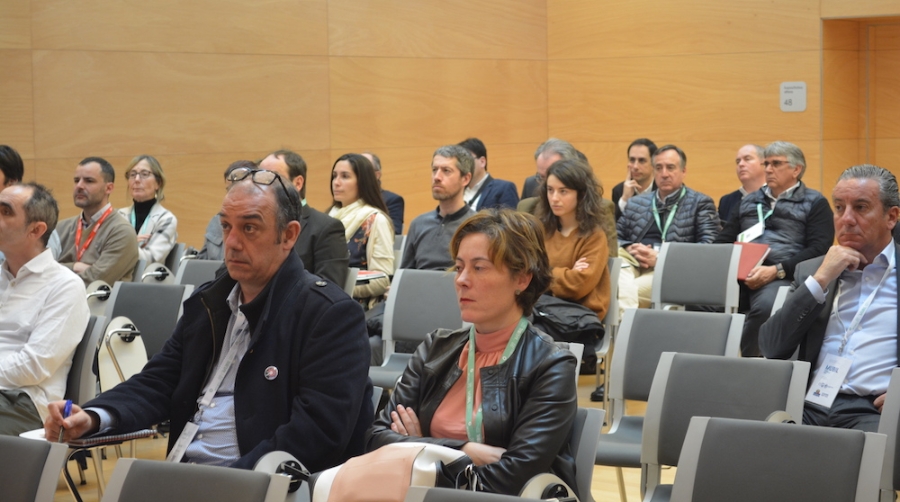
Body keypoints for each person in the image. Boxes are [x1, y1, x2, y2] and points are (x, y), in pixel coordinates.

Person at [45, 167, 373, 470]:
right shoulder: (208, 303)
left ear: (288, 236)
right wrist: (93, 416)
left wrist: (230, 482)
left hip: (262, 485)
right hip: (184, 474)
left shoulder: (329, 315)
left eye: (249, 228)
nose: (231, 243)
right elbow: (159, 380)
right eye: (226, 226)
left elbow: (316, 434)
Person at [366, 209, 578, 496]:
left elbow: (511, 478)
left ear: (522, 279)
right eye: (459, 267)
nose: (461, 280)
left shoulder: (551, 365)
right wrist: (465, 450)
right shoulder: (435, 348)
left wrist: (419, 447)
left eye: (479, 268)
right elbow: (377, 439)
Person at [760, 164, 899, 432]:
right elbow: (771, 347)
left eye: (860, 207)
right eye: (839, 207)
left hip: (874, 410)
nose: (846, 219)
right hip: (808, 404)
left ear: (891, 217)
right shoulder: (813, 271)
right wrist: (821, 279)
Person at [716, 141, 833, 356]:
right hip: (739, 274)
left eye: (776, 164)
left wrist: (777, 270)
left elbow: (819, 250)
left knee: (766, 307)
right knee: (701, 301)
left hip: (781, 274)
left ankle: (749, 366)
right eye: (766, 164)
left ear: (796, 169)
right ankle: (707, 362)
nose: (768, 169)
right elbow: (723, 240)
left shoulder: (815, 202)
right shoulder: (748, 201)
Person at [0, 183, 89, 435]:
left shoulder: (65, 285)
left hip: (23, 402)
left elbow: (33, 366)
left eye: (5, 212)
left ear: (35, 230)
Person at [617, 144, 720, 308]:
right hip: (633, 264)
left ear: (683, 171)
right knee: (615, 273)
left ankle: (620, 326)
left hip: (673, 272)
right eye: (659, 168)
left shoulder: (700, 203)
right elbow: (614, 239)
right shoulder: (636, 203)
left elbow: (709, 249)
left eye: (670, 168)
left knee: (624, 292)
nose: (664, 174)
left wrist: (660, 259)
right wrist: (630, 247)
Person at [260, 150, 349, 286]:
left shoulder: (326, 228)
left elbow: (329, 289)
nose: (263, 186)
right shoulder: (253, 224)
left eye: (273, 178)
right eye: (260, 178)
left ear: (298, 183)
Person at [536, 159, 611, 321]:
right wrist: (566, 273)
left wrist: (544, 274)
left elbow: (577, 286)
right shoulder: (541, 230)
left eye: (563, 191)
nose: (554, 198)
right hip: (542, 311)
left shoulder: (594, 236)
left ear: (581, 194)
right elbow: (525, 274)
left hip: (578, 319)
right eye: (550, 190)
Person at [56, 157, 139, 285]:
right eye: (76, 180)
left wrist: (59, 270)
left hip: (97, 297)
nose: (79, 186)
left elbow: (95, 281)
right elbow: (41, 271)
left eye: (89, 181)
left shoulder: (121, 231)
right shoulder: (61, 227)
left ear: (109, 188)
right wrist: (75, 266)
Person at [328, 153, 394, 308]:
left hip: (353, 307)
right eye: (334, 176)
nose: (336, 182)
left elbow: (383, 278)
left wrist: (337, 284)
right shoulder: (329, 216)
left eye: (345, 176)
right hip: (325, 299)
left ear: (363, 182)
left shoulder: (376, 220)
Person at [402, 145, 476, 271]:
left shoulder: (478, 225)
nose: (437, 177)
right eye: (434, 170)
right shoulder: (418, 224)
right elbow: (405, 274)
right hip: (420, 284)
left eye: (446, 171)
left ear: (465, 179)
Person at [118, 155, 178, 264]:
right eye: (132, 174)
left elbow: (150, 259)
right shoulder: (118, 216)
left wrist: (124, 245)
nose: (137, 179)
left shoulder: (166, 219)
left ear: (158, 183)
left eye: (144, 174)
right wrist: (131, 244)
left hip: (146, 274)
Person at [196, 160, 255, 261]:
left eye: (240, 188)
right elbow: (201, 262)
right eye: (229, 189)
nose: (234, 194)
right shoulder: (216, 221)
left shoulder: (260, 222)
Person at [457, 138, 518, 211]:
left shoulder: (504, 188)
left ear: (482, 162)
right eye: (460, 161)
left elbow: (509, 218)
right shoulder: (456, 190)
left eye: (467, 160)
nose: (463, 165)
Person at [718, 144, 767, 224]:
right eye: (738, 161)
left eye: (747, 159)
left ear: (765, 163)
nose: (741, 164)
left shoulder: (776, 195)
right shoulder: (727, 201)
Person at [611, 138, 657, 221]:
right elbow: (616, 224)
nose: (635, 166)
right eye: (632, 160)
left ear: (653, 163)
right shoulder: (619, 190)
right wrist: (625, 199)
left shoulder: (663, 189)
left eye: (642, 161)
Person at [362, 152, 405, 235]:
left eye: (363, 170)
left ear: (377, 175)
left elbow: (393, 233)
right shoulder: (346, 200)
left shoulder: (392, 200)